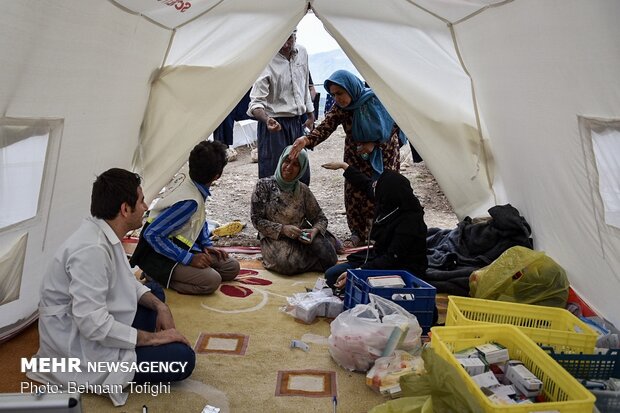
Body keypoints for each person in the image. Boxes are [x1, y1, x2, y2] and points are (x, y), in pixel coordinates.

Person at [27, 168, 195, 406]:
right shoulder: (91, 251)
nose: (146, 206)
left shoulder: (104, 231)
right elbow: (92, 325)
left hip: (91, 323)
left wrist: (161, 308)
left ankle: (148, 333)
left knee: (155, 296)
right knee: (182, 359)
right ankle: (134, 354)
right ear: (125, 209)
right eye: (141, 201)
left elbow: (128, 281)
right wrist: (153, 340)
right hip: (78, 349)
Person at [289, 70, 404, 247]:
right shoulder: (341, 109)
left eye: (340, 93)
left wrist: (374, 143)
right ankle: (357, 233)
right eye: (333, 94)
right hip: (356, 156)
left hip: (384, 153)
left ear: (351, 88)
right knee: (355, 193)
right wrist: (306, 139)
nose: (337, 98)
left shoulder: (377, 99)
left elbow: (396, 123)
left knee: (381, 191)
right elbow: (326, 127)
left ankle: (381, 232)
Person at [130, 141, 240, 295]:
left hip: (180, 246)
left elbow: (198, 219)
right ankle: (154, 275)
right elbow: (152, 234)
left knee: (231, 267)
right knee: (212, 281)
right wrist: (189, 259)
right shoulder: (189, 202)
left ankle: (179, 273)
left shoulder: (192, 179)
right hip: (157, 255)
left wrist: (205, 245)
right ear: (217, 176)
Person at [321, 162, 428, 290]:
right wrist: (344, 166)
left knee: (344, 279)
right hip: (379, 257)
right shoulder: (389, 201)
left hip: (400, 268)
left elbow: (391, 259)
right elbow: (365, 184)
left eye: (378, 183)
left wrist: (358, 272)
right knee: (332, 274)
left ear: (387, 193)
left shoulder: (410, 222)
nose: (374, 184)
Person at [250, 145, 338, 275]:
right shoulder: (263, 186)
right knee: (285, 264)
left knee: (330, 257)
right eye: (287, 161)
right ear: (281, 161)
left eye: (296, 164)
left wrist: (313, 232)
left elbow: (320, 217)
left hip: (300, 235)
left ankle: (306, 258)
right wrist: (283, 229)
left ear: (301, 169)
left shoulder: (303, 189)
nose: (289, 167)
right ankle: (312, 259)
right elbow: (256, 220)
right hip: (275, 237)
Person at [248, 29, 315, 185]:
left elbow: (304, 86)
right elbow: (256, 102)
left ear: (295, 36)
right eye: (281, 40)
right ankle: (272, 208)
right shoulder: (265, 59)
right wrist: (266, 119)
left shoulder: (302, 53)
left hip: (297, 123)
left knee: (300, 172)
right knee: (274, 175)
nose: (285, 45)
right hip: (274, 126)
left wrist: (310, 116)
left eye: (289, 39)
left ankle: (299, 206)